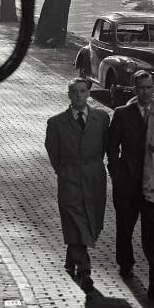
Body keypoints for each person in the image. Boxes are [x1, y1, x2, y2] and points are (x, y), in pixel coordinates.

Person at [108, 69, 154, 298]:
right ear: (133, 89)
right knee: (125, 228)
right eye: (140, 88)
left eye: (149, 88)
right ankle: (126, 263)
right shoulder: (122, 113)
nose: (145, 92)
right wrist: (116, 172)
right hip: (128, 182)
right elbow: (112, 146)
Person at [45, 77, 110, 293]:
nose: (79, 95)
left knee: (91, 220)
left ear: (89, 94)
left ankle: (71, 258)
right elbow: (53, 152)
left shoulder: (101, 118)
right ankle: (85, 271)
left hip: (93, 178)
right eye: (75, 92)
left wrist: (93, 167)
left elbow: (103, 147)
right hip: (70, 178)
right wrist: (63, 171)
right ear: (69, 95)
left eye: (83, 91)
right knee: (74, 219)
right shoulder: (56, 123)